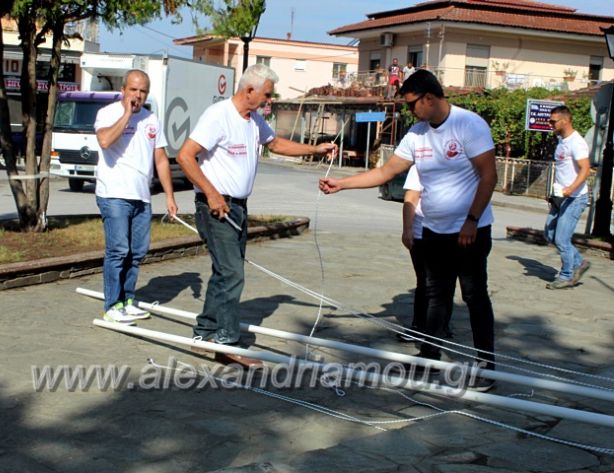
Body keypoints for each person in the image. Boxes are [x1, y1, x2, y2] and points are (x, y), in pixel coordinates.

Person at [319, 69, 498, 391]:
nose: (409, 111)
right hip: (433, 230)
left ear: (429, 98)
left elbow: (488, 176)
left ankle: (487, 366)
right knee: (434, 296)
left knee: (474, 296)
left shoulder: (469, 125)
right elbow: (386, 171)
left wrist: (472, 220)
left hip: (470, 230)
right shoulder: (416, 134)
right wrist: (342, 184)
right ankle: (430, 357)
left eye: (411, 104)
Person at [177, 63, 337, 364]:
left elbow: (275, 143)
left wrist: (316, 150)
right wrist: (211, 193)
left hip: (237, 206)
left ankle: (206, 330)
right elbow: (185, 156)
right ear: (248, 90)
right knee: (232, 273)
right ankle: (226, 343)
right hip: (216, 206)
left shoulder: (252, 120)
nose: (269, 100)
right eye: (266, 94)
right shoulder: (218, 116)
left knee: (225, 271)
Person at [95, 69, 178, 324]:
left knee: (137, 252)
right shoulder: (107, 114)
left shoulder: (152, 119)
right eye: (133, 90)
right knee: (118, 250)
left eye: (142, 91)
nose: (137, 95)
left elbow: (161, 159)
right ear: (123, 89)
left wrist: (169, 196)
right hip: (114, 193)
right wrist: (128, 115)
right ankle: (111, 305)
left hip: (142, 195)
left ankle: (127, 300)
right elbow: (105, 141)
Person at [399, 166, 453, 343]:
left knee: (446, 280)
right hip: (422, 232)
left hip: (451, 232)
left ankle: (441, 326)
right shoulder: (422, 161)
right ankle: (420, 326)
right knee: (425, 280)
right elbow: (412, 197)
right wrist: (407, 229)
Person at [544, 105, 591, 289]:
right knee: (549, 234)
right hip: (559, 196)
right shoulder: (561, 140)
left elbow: (585, 169)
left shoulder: (576, 142)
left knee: (562, 239)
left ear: (565, 120)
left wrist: (571, 188)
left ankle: (566, 276)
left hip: (574, 197)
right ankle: (578, 262)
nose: (550, 124)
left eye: (553, 121)